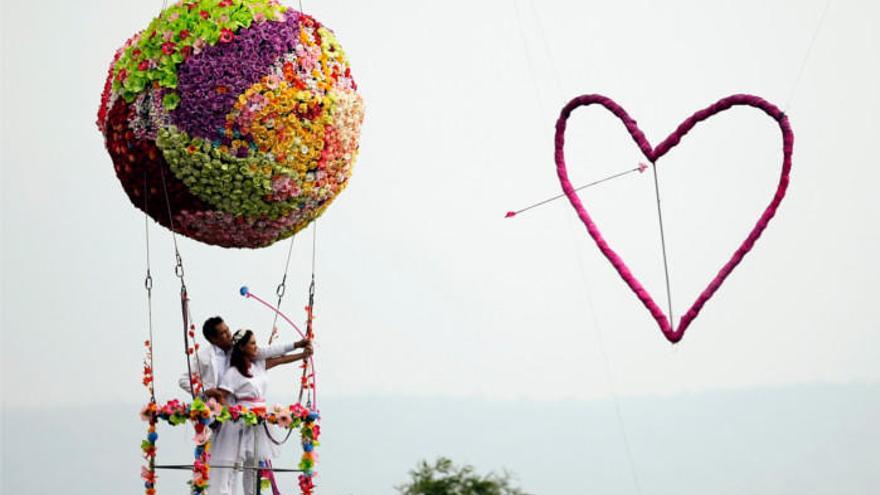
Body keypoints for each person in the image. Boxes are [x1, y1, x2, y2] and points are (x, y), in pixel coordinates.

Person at [212, 329, 313, 495]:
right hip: (241, 421)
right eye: (252, 343)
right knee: (236, 463)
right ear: (242, 347)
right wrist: (230, 413)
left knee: (254, 464)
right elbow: (222, 396)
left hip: (259, 420)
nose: (255, 346)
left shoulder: (258, 365)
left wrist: (303, 354)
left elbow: (280, 359)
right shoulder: (233, 372)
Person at [178, 316, 310, 400]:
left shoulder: (237, 349)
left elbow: (268, 352)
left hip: (236, 405)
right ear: (213, 339)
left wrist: (296, 345)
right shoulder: (203, 357)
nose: (229, 334)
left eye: (228, 330)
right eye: (223, 333)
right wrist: (205, 391)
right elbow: (184, 380)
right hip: (215, 407)